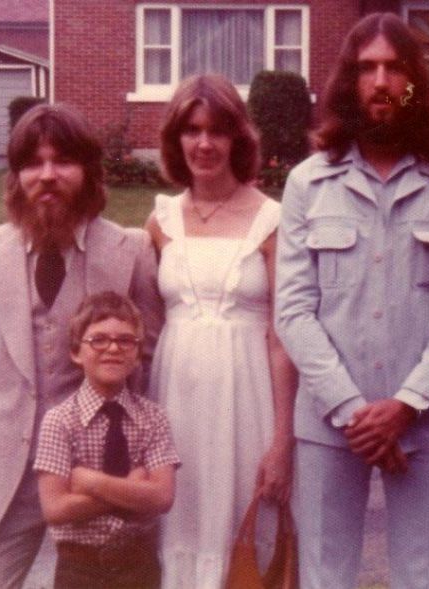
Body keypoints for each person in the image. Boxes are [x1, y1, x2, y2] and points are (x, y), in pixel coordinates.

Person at [275, 12, 429, 589]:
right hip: (329, 423)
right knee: (325, 578)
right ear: (348, 83)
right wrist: (354, 413)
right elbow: (293, 310)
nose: (380, 82)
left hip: (426, 420)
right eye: (366, 68)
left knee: (423, 578)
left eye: (395, 69)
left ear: (415, 82)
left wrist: (407, 405)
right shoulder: (308, 183)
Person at [0, 103, 163, 589]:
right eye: (33, 163)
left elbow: (149, 366)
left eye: (63, 161)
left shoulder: (131, 251)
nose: (48, 175)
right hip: (2, 479)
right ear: (16, 176)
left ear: (89, 171)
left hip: (97, 481)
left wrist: (143, 466)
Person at [144, 73, 297, 588]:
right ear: (176, 138)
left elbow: (281, 340)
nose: (204, 143)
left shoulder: (272, 220)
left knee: (242, 540)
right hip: (174, 406)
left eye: (217, 130)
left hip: (247, 404)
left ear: (238, 138)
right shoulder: (161, 221)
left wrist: (282, 442)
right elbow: (147, 330)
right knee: (180, 528)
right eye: (192, 130)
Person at [35, 291, 180, 589]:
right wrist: (133, 488)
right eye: (98, 340)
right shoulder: (59, 421)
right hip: (79, 568)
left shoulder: (153, 418)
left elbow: (162, 497)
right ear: (76, 352)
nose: (113, 348)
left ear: (137, 355)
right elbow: (55, 509)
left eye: (125, 340)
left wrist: (91, 482)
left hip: (139, 566)